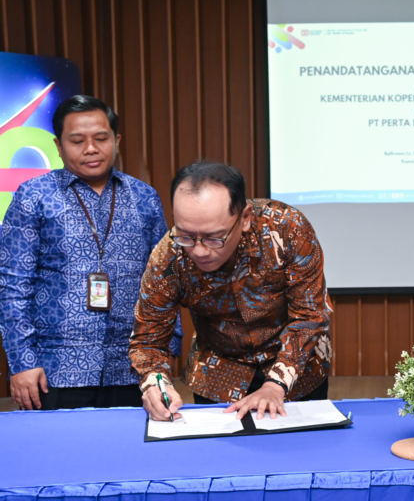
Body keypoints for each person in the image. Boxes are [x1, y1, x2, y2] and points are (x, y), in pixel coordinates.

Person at [0, 95, 180, 410]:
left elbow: (165, 279)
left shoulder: (144, 197)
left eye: (101, 138)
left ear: (116, 140)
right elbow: (12, 285)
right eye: (77, 141)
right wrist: (22, 361)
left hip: (132, 367)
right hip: (55, 369)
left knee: (134, 442)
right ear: (58, 146)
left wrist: (168, 347)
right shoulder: (33, 196)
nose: (91, 149)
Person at [129, 160, 332, 421]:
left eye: (214, 237)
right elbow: (148, 340)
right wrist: (154, 382)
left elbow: (309, 315)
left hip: (296, 367)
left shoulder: (287, 229)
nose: (199, 251)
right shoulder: (168, 257)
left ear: (244, 218)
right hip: (218, 372)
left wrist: (276, 384)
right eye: (186, 235)